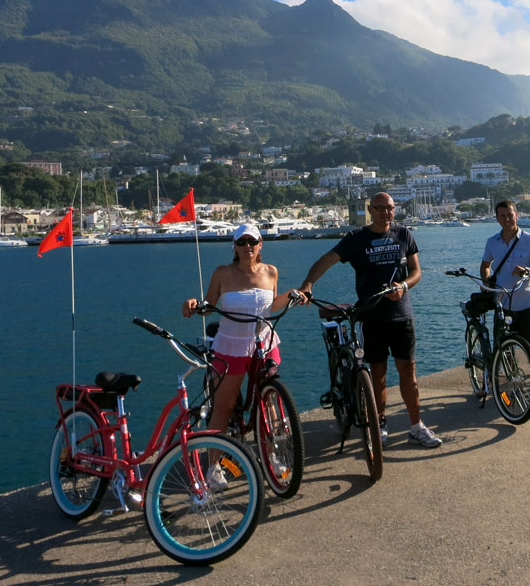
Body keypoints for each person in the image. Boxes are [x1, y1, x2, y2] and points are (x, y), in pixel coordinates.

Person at [297, 192, 442, 448]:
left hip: (401, 316)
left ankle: (416, 426)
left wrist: (404, 286)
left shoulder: (404, 234)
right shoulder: (356, 238)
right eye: (380, 208)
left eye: (390, 208)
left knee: (409, 373)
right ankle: (380, 423)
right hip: (371, 317)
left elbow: (416, 272)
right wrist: (308, 283)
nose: (386, 212)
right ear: (370, 210)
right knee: (378, 373)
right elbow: (326, 261)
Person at [181, 222, 306, 469]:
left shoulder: (271, 271)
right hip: (231, 347)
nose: (247, 246)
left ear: (260, 245)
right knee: (224, 407)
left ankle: (273, 456)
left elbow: (271, 306)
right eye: (242, 242)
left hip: (265, 344)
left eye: (252, 242)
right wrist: (193, 304)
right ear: (235, 247)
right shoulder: (222, 273)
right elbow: (209, 304)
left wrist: (293, 294)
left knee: (270, 404)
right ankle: (213, 467)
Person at [479, 200, 530, 409]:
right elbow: (485, 265)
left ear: (516, 215)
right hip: (503, 303)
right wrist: (485, 281)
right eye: (502, 216)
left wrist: (529, 271)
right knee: (506, 349)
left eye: (509, 215)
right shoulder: (492, 242)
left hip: (527, 303)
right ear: (497, 218)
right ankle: (513, 386)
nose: (506, 219)